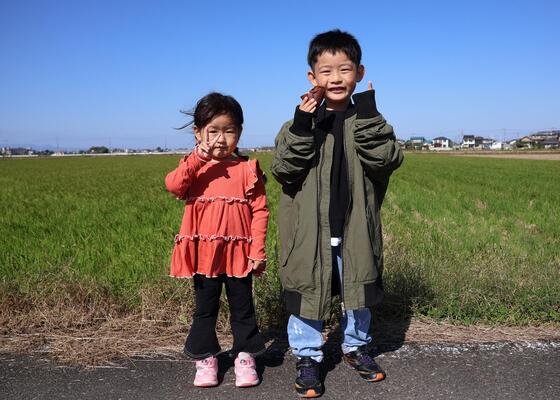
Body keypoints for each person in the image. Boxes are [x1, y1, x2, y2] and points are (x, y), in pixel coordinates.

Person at [271, 29, 403, 397]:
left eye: (344, 69)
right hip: (309, 230)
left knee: (357, 288)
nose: (336, 78)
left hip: (355, 226)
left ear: (359, 73)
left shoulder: (367, 122)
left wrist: (371, 114)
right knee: (308, 289)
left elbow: (388, 159)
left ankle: (356, 348)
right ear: (312, 78)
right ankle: (308, 357)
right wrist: (301, 124)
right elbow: (283, 169)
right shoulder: (300, 123)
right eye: (326, 71)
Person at [165, 92, 268, 388]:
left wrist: (257, 250)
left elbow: (260, 211)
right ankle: (206, 358)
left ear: (240, 132)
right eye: (213, 131)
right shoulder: (193, 167)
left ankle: (245, 356)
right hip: (204, 255)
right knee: (205, 308)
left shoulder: (248, 169)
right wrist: (198, 157)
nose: (221, 139)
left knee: (243, 307)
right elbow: (173, 185)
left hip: (239, 255)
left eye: (229, 130)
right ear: (198, 133)